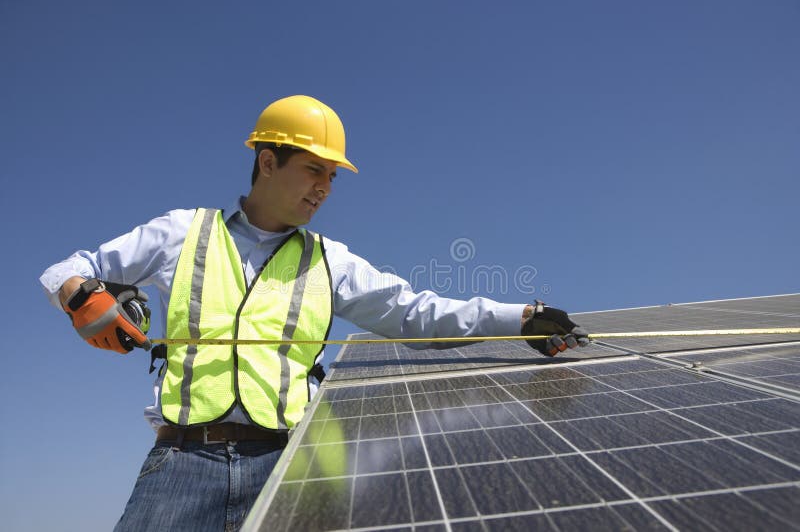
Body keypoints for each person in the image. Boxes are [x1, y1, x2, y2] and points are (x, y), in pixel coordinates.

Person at [40, 94, 589, 531]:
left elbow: (417, 314)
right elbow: (71, 265)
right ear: (267, 161)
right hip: (182, 465)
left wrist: (519, 318)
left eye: (332, 176)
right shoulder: (182, 233)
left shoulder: (332, 263)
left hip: (293, 466)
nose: (325, 188)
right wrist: (79, 294)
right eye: (313, 170)